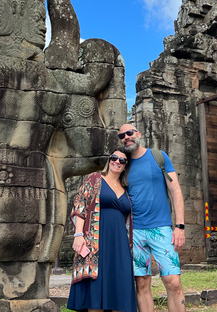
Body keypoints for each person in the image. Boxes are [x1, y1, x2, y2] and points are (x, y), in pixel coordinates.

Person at [120, 124, 186, 312]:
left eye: (130, 133)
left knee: (173, 281)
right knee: (141, 284)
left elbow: (176, 191)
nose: (126, 137)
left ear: (138, 134)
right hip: (134, 232)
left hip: (161, 228)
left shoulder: (159, 157)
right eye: (122, 135)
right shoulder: (123, 163)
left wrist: (179, 226)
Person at [67, 149, 137, 312]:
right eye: (114, 158)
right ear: (109, 160)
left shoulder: (127, 188)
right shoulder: (95, 179)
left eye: (122, 160)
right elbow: (80, 205)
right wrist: (78, 235)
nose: (117, 162)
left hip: (120, 244)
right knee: (95, 293)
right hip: (96, 241)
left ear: (125, 166)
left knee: (121, 288)